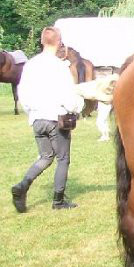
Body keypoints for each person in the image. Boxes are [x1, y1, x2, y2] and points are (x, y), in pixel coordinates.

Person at [11, 26, 84, 212]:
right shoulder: (59, 67)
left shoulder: (30, 65)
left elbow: (22, 92)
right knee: (63, 158)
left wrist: (31, 112)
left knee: (45, 156)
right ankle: (58, 201)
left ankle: (22, 186)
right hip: (55, 118)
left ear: (42, 41)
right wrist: (77, 107)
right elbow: (67, 95)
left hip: (37, 118)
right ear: (59, 42)